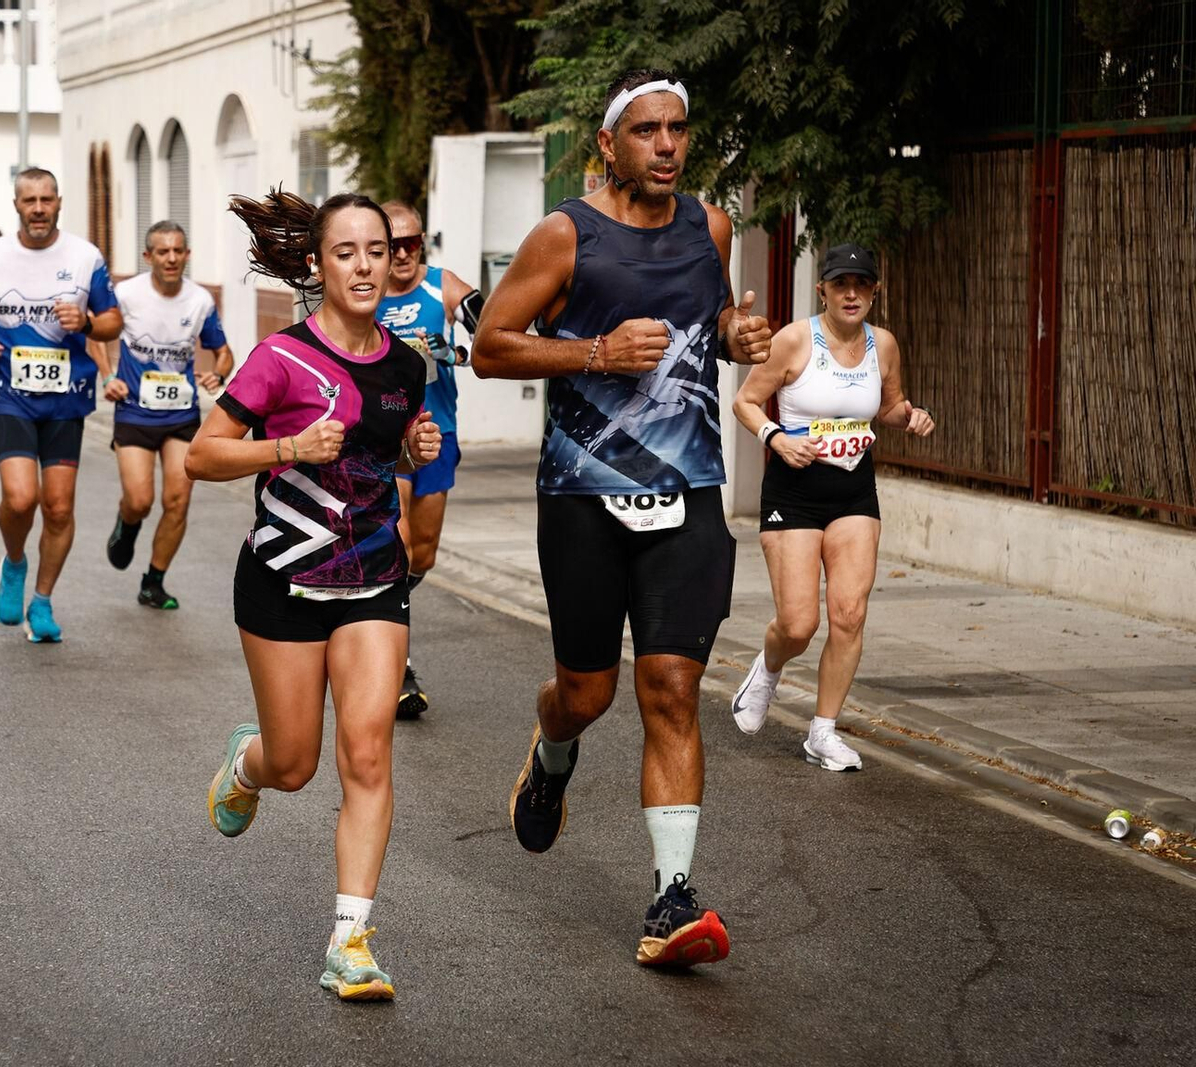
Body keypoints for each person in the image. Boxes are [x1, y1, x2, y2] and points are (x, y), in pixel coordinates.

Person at [471, 69, 772, 969]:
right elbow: (490, 345)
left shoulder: (708, 224)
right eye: (647, 131)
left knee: (672, 689)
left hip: (688, 496)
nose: (668, 146)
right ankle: (552, 747)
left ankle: (671, 897)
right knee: (589, 693)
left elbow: (705, 322)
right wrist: (596, 350)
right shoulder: (566, 235)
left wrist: (734, 337)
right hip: (582, 501)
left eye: (678, 129)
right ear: (610, 144)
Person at [189, 189, 440, 1003]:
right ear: (317, 264)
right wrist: (288, 444)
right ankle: (247, 760)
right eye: (347, 252)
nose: (366, 265)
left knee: (367, 751)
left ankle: (351, 939)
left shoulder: (408, 366)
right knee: (294, 763)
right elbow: (201, 456)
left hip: (374, 574)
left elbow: (380, 462)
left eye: (378, 250)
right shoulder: (280, 359)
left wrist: (412, 449)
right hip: (283, 579)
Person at [729, 244, 936, 770]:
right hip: (794, 490)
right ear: (821, 288)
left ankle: (823, 731)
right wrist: (776, 437)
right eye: (841, 283)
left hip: (852, 492)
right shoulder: (795, 340)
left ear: (874, 292)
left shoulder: (882, 344)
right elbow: (746, 402)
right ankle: (768, 671)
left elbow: (888, 406)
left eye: (861, 284)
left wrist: (909, 417)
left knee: (849, 613)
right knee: (799, 624)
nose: (851, 294)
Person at [0, 167, 122, 643]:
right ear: (17, 206)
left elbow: (112, 322)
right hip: (10, 391)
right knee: (21, 498)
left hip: (68, 396)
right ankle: (15, 563)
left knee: (59, 508)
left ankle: (41, 603)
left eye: (47, 199)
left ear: (59, 203)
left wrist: (85, 321)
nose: (39, 208)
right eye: (30, 200)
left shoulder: (85, 257)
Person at [375, 200, 484, 718]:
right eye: (391, 244)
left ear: (423, 243)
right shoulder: (367, 289)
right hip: (386, 440)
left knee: (425, 553)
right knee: (396, 546)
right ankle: (396, 662)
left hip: (438, 432)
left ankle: (381, 601)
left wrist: (457, 349)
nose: (400, 254)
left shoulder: (442, 285)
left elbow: (487, 325)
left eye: (411, 243)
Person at [103, 220, 234, 610]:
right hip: (133, 411)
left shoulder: (199, 300)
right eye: (163, 251)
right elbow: (94, 335)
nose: (172, 258)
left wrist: (219, 372)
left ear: (187, 254)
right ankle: (127, 523)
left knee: (177, 499)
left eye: (179, 250)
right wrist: (108, 375)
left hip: (181, 413)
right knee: (140, 500)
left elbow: (222, 349)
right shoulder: (125, 294)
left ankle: (153, 581)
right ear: (148, 257)